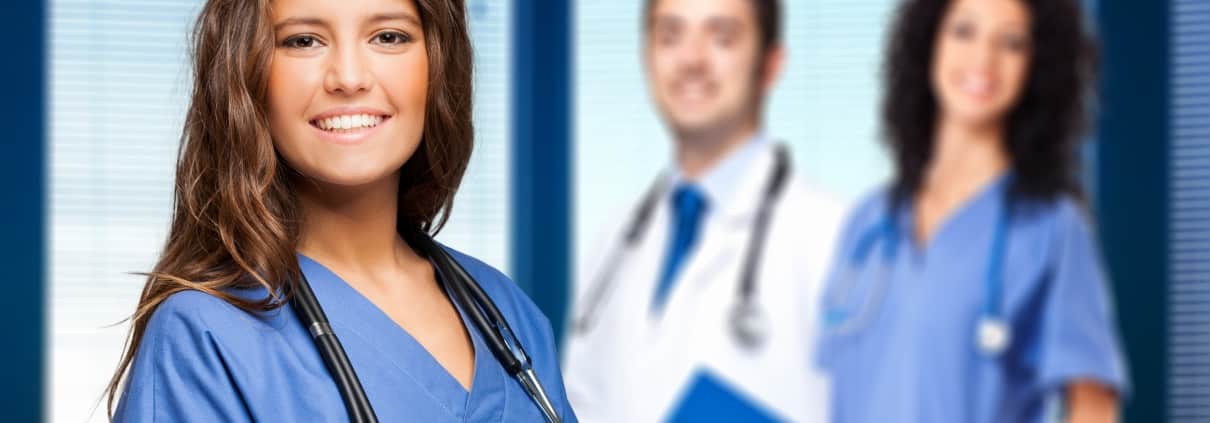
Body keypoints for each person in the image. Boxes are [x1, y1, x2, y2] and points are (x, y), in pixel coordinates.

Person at [103, 0, 577, 421]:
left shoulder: (505, 313)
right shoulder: (204, 337)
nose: (349, 78)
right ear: (245, 72)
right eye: (303, 40)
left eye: (388, 36)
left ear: (438, 62)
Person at [815, 0, 1127, 422]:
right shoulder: (868, 223)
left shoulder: (1051, 229)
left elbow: (1093, 407)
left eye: (1012, 43)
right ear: (929, 44)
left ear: (1037, 66)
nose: (983, 59)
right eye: (963, 31)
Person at [563, 0, 842, 421]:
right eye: (670, 36)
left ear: (769, 64)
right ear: (647, 56)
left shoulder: (830, 235)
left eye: (721, 37)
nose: (691, 59)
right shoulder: (617, 241)